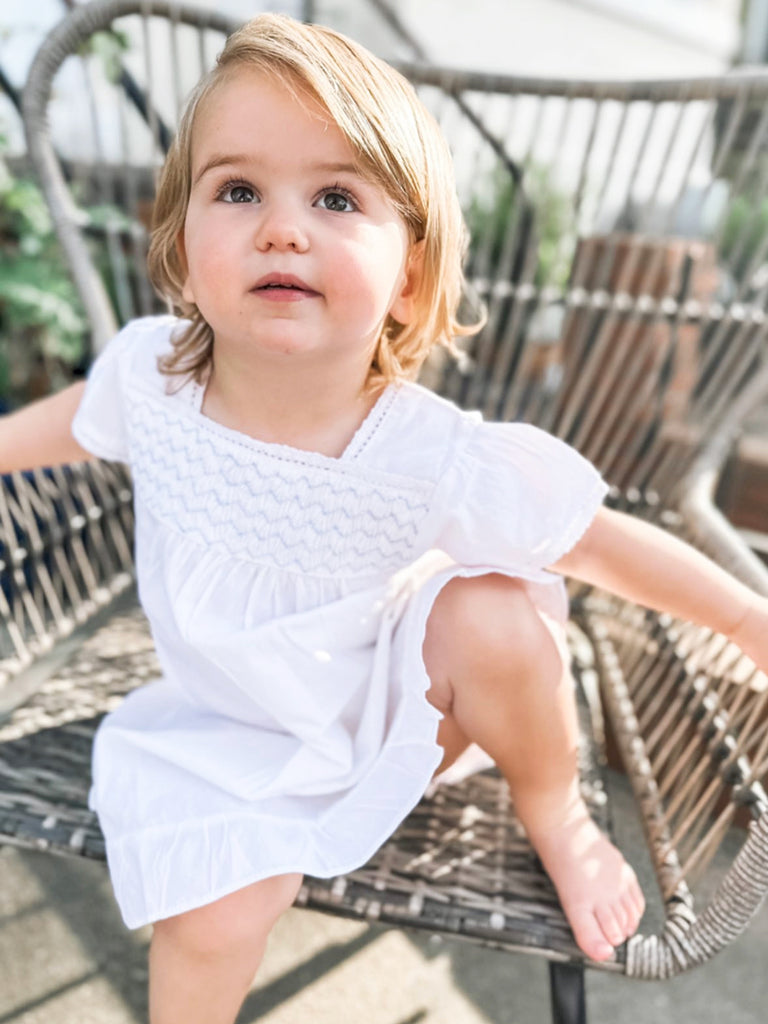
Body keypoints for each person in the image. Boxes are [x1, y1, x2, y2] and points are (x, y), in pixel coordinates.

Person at [4, 12, 768, 1024]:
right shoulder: (151, 377)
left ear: (407, 276)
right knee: (202, 920)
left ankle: (555, 805)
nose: (282, 226)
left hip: (392, 705)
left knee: (491, 610)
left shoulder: (423, 449)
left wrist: (755, 624)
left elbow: (604, 542)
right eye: (237, 191)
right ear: (184, 252)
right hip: (224, 720)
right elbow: (44, 429)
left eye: (335, 197)